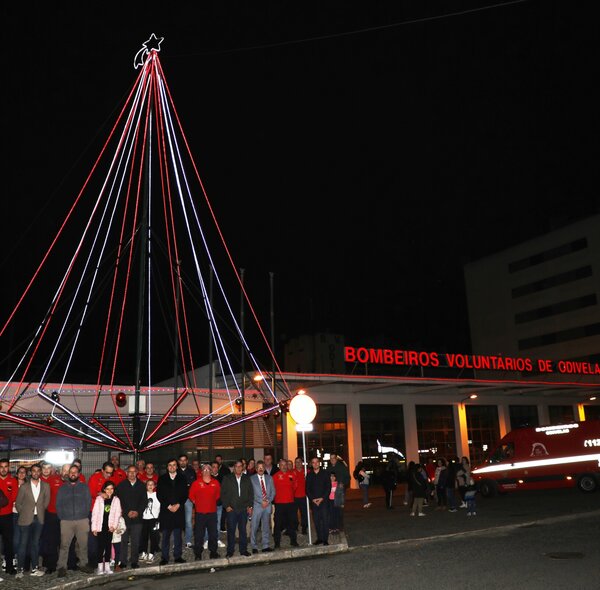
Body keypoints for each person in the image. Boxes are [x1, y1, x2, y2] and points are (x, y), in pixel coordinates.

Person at [55, 464, 94, 578]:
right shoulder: (62, 488)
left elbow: (88, 502)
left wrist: (84, 514)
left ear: (78, 474)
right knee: (64, 545)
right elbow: (58, 504)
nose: (73, 474)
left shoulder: (84, 487)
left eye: (75, 472)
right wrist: (62, 517)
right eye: (71, 472)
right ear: (68, 474)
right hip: (66, 521)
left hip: (82, 520)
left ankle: (83, 564)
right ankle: (62, 567)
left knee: (83, 545)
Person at [15, 463, 50, 577]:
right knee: (23, 544)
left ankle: (35, 568)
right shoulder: (24, 486)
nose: (36, 473)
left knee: (35, 544)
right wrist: (24, 513)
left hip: (39, 519)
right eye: (34, 471)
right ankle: (19, 570)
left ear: (40, 472)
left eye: (38, 471)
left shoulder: (46, 486)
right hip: (25, 519)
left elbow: (46, 502)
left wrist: (39, 511)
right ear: (30, 472)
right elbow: (18, 503)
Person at [157, 459, 187, 565]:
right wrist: (168, 506)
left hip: (178, 510)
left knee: (178, 535)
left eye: (174, 465)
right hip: (166, 511)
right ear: (167, 467)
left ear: (177, 467)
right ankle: (164, 558)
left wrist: (178, 504)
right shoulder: (162, 479)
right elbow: (159, 494)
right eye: (170, 465)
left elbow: (185, 494)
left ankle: (178, 556)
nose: (172, 467)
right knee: (165, 536)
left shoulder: (182, 478)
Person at [115, 465, 146, 570]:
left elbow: (144, 501)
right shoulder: (121, 485)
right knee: (123, 541)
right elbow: (119, 501)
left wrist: (138, 512)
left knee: (135, 541)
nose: (132, 474)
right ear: (126, 473)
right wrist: (127, 511)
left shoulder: (141, 485)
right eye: (130, 472)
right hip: (125, 518)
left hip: (137, 518)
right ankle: (123, 561)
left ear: (137, 473)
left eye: (134, 472)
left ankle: (134, 561)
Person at [220, 460, 253, 558]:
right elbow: (223, 493)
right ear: (234, 467)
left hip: (243, 509)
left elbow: (251, 493)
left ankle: (243, 550)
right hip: (231, 509)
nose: (238, 468)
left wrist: (250, 506)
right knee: (231, 531)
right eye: (236, 466)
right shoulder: (227, 478)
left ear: (242, 467)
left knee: (243, 531)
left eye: (240, 466)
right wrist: (226, 506)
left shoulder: (247, 478)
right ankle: (230, 551)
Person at [189, 464, 220, 560]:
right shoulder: (196, 483)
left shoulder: (215, 483)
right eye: (204, 469)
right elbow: (191, 495)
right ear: (201, 472)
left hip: (212, 513)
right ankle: (198, 553)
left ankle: (213, 552)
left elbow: (217, 496)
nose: (206, 471)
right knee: (199, 535)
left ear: (211, 471)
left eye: (208, 469)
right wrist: (198, 503)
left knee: (213, 534)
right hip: (200, 513)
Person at [91, 481, 122, 574]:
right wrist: (94, 528)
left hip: (109, 527)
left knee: (108, 547)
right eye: (107, 489)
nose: (109, 491)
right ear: (104, 489)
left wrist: (114, 526)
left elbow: (117, 514)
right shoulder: (99, 499)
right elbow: (95, 513)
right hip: (100, 526)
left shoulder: (116, 500)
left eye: (111, 489)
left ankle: (107, 566)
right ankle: (100, 567)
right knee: (100, 547)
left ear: (114, 489)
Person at [39, 462, 62, 574]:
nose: (46, 470)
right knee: (42, 539)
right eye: (44, 468)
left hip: (53, 514)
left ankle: (51, 565)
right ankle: (44, 561)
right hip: (39, 513)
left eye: (48, 468)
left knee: (52, 540)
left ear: (51, 469)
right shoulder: (36, 480)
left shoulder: (57, 479)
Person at [272, 459, 298, 549]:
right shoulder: (275, 476)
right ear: (279, 466)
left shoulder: (292, 475)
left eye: (285, 465)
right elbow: (272, 489)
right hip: (279, 504)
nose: (283, 466)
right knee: (278, 524)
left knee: (292, 523)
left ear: (287, 465)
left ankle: (293, 541)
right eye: (281, 465)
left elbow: (295, 486)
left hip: (290, 503)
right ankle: (277, 543)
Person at [249, 460, 275, 553]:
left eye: (262, 467)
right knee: (254, 527)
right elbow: (251, 494)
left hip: (267, 506)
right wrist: (261, 501)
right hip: (257, 506)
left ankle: (265, 546)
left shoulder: (269, 478)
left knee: (266, 526)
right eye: (259, 467)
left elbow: (273, 492)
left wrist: (268, 501)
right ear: (256, 469)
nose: (260, 469)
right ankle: (254, 546)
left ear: (264, 469)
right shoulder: (252, 479)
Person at [306, 457, 331, 546]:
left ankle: (325, 539)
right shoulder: (309, 475)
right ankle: (319, 538)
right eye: (313, 462)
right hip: (314, 502)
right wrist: (312, 499)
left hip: (324, 501)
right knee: (316, 521)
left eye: (317, 462)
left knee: (325, 520)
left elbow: (328, 487)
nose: (315, 464)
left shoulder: (325, 474)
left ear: (319, 463)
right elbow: (307, 489)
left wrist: (322, 498)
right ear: (311, 464)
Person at [0, 459, 18, 577]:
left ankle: (9, 567)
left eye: (5, 466)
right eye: (1, 467)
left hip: (7, 516)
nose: (3, 469)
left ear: (9, 467)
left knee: (8, 542)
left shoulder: (13, 481)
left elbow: (14, 497)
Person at [177, 454, 197, 549]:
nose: (183, 462)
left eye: (184, 460)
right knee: (178, 521)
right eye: (181, 460)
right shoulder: (175, 471)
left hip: (189, 499)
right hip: (178, 500)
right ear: (178, 461)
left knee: (188, 521)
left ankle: (188, 541)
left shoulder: (191, 471)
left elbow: (194, 485)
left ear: (187, 461)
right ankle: (177, 542)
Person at [140, 479, 160, 563]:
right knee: (144, 537)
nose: (150, 486)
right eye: (148, 484)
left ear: (154, 486)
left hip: (154, 519)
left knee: (153, 537)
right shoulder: (143, 495)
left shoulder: (157, 495)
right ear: (146, 486)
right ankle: (144, 552)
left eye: (152, 484)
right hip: (144, 518)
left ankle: (151, 554)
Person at [293, 457, 308, 534]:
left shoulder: (306, 472)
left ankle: (304, 527)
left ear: (302, 462)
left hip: (304, 496)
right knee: (293, 513)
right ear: (295, 463)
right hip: (294, 496)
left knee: (304, 513)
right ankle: (295, 526)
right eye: (296, 462)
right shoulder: (292, 472)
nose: (298, 463)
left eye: (299, 462)